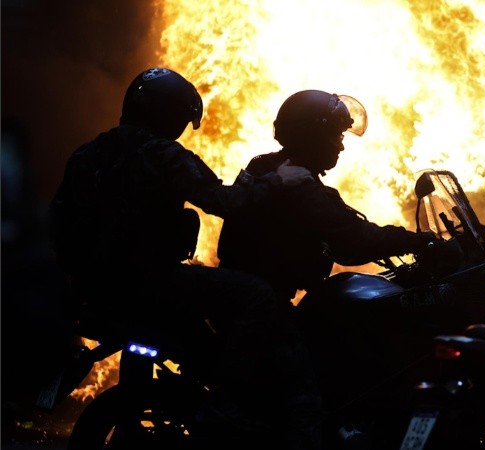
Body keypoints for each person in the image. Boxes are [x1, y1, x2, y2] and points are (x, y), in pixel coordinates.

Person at [49, 67, 320, 449]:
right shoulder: (160, 154)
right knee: (256, 294)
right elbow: (226, 202)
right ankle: (229, 406)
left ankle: (143, 416)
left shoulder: (87, 153)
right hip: (151, 282)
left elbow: (57, 219)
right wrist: (279, 180)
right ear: (168, 114)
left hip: (92, 289)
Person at [216, 89, 436, 303]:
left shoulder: (267, 167)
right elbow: (355, 238)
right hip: (259, 307)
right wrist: (420, 241)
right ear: (313, 136)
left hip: (243, 295)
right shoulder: (296, 185)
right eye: (336, 135)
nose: (340, 146)